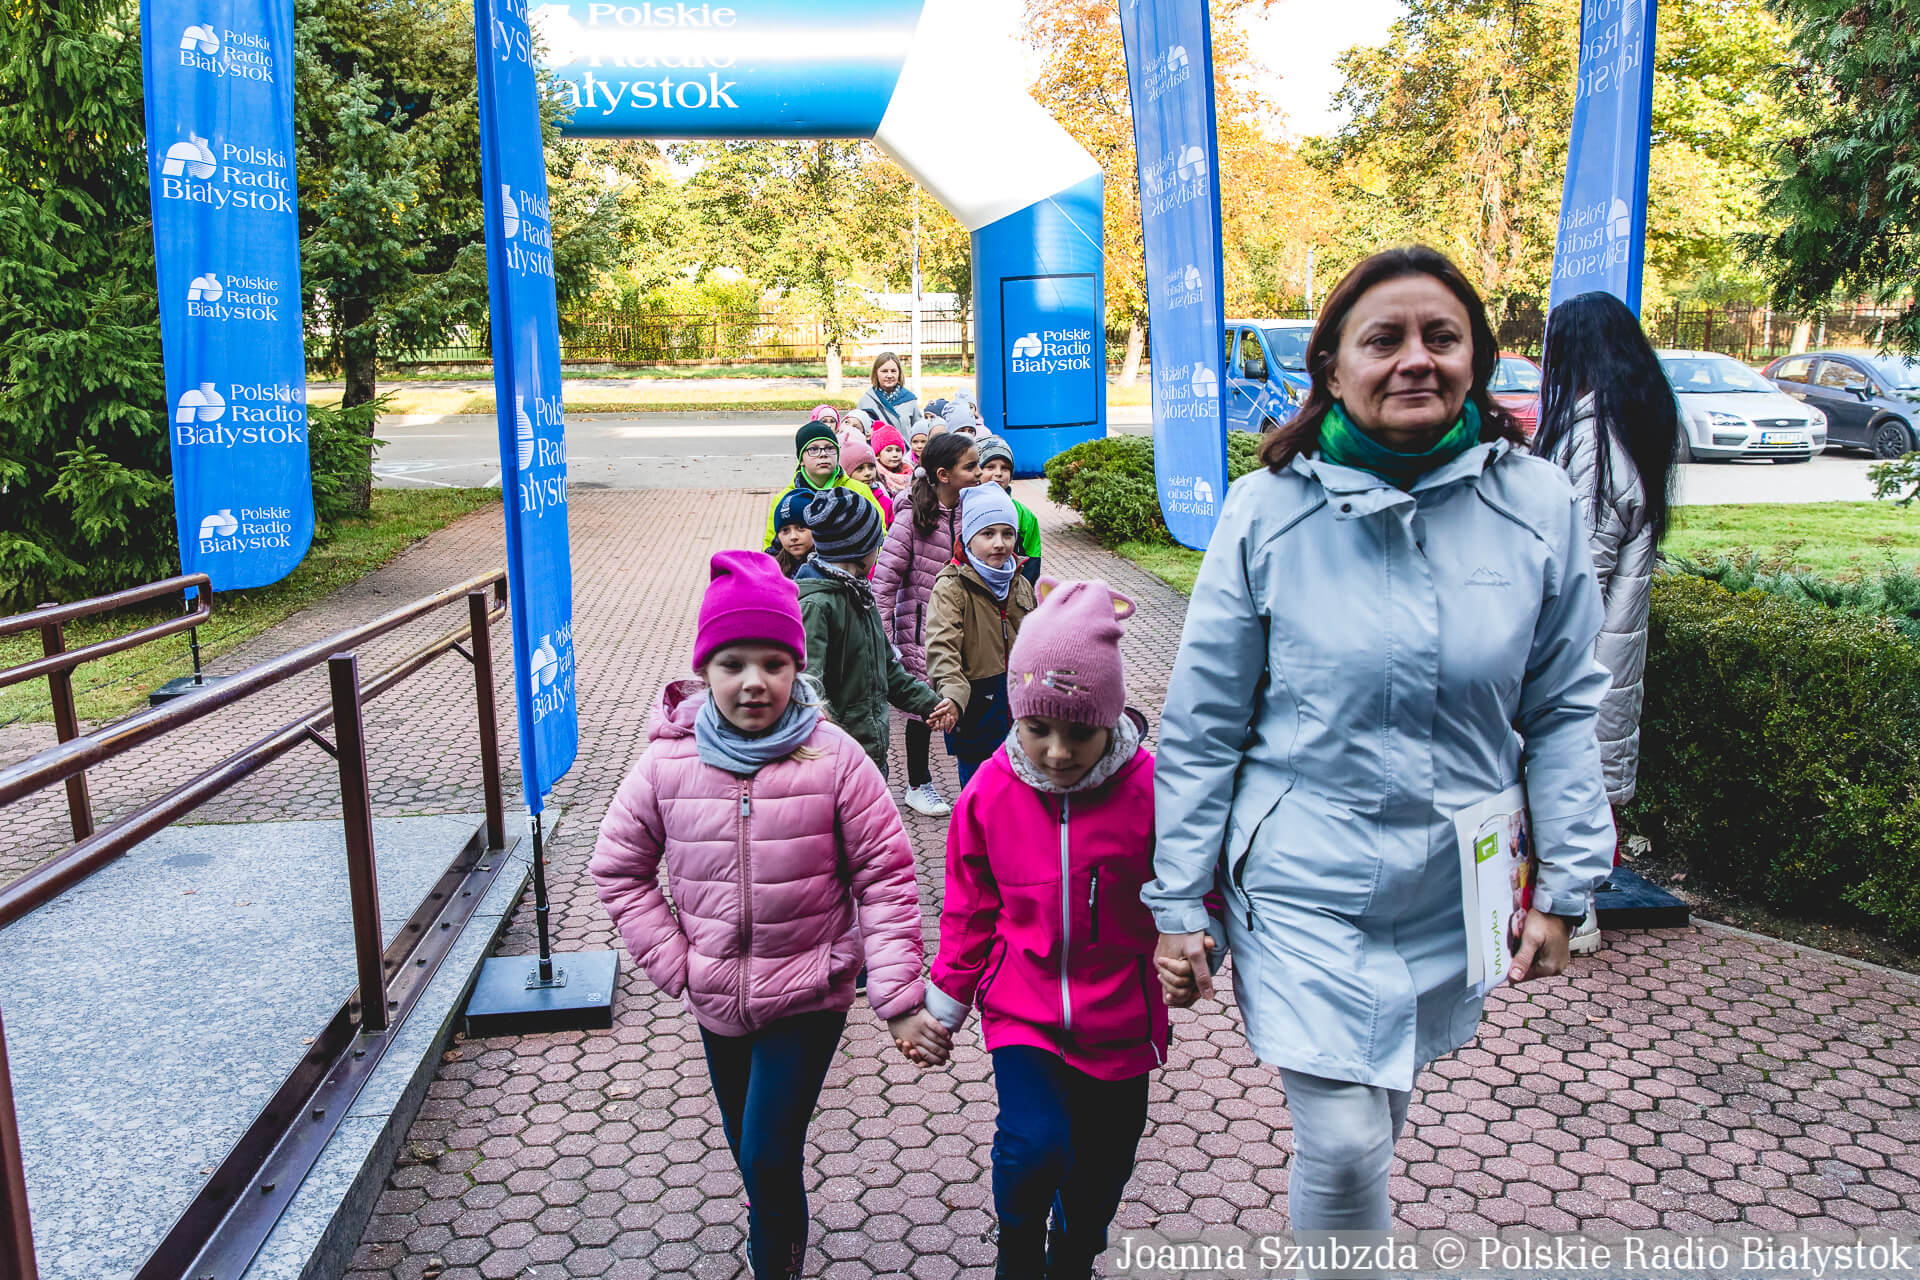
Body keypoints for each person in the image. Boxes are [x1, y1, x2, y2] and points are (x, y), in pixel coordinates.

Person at [1148, 245, 1615, 1254]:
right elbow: (1202, 727)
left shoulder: (1537, 504)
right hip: (1302, 883)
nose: (1416, 359)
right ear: (1332, 364)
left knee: (1379, 1116)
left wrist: (1566, 886)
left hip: (1452, 885)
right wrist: (1178, 902)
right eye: (1384, 338)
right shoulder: (1266, 511)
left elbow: (1562, 707)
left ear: (1475, 359)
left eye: (1442, 337)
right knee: (1349, 1141)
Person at [590, 551, 950, 1280]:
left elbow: (885, 877)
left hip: (810, 992)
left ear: (796, 667)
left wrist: (897, 997)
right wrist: (679, 963)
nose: (753, 682)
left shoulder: (835, 759)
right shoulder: (665, 763)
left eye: (773, 664)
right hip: (715, 997)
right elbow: (619, 869)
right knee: (750, 1152)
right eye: (733, 664)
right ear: (704, 670)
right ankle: (774, 1228)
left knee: (766, 1151)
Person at [905, 579, 1166, 1280]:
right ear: (1016, 717)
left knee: (1104, 1161)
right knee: (1034, 1146)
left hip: (1122, 1014)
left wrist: (1196, 936)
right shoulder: (989, 792)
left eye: (1080, 732)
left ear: (1111, 718)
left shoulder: (1151, 790)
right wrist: (944, 1003)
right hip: (1025, 1008)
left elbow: (1192, 883)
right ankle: (1018, 1249)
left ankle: (1073, 1252)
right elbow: (969, 909)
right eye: (1037, 728)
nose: (1056, 751)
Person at [1533, 290, 1679, 956]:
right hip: (1608, 645)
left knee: (1571, 770)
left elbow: (1581, 568)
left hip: (1583, 650)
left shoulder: (1594, 438)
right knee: (1585, 767)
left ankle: (1575, 911)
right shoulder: (1632, 423)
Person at [795, 488, 956, 776]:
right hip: (837, 763)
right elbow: (808, 688)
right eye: (877, 544)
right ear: (859, 550)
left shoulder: (858, 593)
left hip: (869, 754)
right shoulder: (817, 605)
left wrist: (931, 705)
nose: (879, 551)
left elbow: (888, 670)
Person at [871, 433, 981, 817]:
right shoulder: (911, 518)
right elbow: (883, 586)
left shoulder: (974, 511)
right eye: (970, 466)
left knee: (969, 701)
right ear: (943, 474)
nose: (980, 472)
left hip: (967, 628)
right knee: (924, 710)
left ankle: (977, 783)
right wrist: (887, 643)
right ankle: (918, 784)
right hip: (920, 632)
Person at [924, 484, 1037, 788]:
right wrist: (952, 696)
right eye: (988, 534)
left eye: (1007, 533)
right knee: (981, 796)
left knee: (1023, 797)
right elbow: (942, 649)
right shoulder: (951, 587)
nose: (999, 543)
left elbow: (1038, 642)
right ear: (968, 537)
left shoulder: (1020, 582)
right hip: (976, 712)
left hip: (1022, 711)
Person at [764, 420, 884, 550]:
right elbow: (771, 549)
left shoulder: (859, 491)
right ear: (801, 459)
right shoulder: (785, 499)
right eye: (813, 449)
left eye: (830, 448)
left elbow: (880, 535)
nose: (823, 454)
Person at [976, 435, 1042, 584]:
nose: (998, 473)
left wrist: (1022, 590)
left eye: (1005, 468)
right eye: (990, 467)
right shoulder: (964, 509)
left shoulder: (1024, 515)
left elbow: (1032, 560)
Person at [857, 351, 923, 437]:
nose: (889, 375)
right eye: (884, 371)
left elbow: (919, 433)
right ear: (876, 373)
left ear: (899, 373)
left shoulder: (910, 401)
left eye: (893, 371)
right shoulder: (865, 402)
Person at [839, 437, 894, 527]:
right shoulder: (841, 502)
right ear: (847, 473)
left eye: (871, 467)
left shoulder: (885, 502)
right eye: (860, 468)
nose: (868, 473)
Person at [767, 489, 815, 578]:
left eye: (801, 528)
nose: (793, 537)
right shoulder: (770, 569)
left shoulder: (830, 567)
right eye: (785, 530)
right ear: (778, 536)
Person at [870, 423, 914, 499]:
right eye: (889, 450)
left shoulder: (910, 473)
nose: (895, 455)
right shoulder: (874, 477)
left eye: (898, 450)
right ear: (878, 455)